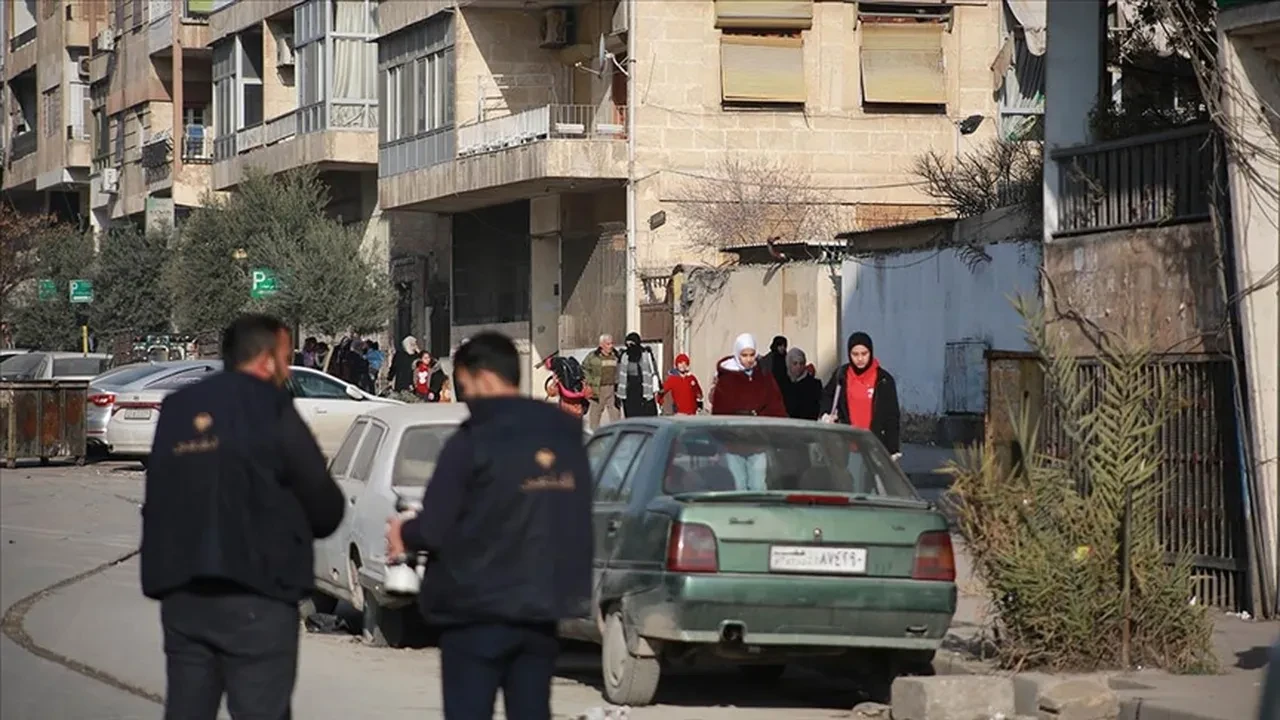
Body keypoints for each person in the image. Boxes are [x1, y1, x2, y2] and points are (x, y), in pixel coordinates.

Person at [141, 313, 344, 720]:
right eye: (286, 360)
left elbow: (159, 492)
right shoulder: (271, 406)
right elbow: (323, 503)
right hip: (258, 595)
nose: (288, 371)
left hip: (184, 595)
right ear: (267, 360)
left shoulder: (178, 408)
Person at [384, 332, 592, 720]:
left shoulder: (472, 439)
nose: (465, 397)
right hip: (542, 607)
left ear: (482, 377)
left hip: (475, 609)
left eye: (463, 385)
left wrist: (402, 533)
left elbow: (434, 527)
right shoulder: (565, 434)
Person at [821, 331, 901, 456]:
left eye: (864, 354)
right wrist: (826, 415)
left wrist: (893, 449)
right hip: (846, 445)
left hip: (874, 446)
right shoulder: (842, 375)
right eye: (855, 354)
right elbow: (827, 395)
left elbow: (892, 415)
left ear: (871, 352)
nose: (860, 359)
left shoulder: (883, 380)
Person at [709, 333, 787, 418]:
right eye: (744, 355)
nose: (749, 359)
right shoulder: (726, 379)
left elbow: (775, 405)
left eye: (752, 355)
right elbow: (721, 411)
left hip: (762, 424)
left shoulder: (764, 375)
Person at [582, 334, 622, 429]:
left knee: (615, 415)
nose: (611, 346)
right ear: (601, 345)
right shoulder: (593, 356)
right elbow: (584, 368)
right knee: (595, 416)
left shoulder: (616, 356)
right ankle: (595, 435)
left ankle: (616, 434)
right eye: (608, 344)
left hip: (612, 389)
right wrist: (590, 381)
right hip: (598, 389)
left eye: (612, 343)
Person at [617, 332, 659, 418]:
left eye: (632, 343)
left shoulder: (645, 354)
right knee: (631, 416)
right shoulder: (624, 355)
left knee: (646, 416)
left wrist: (657, 387)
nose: (629, 346)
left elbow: (653, 370)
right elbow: (620, 374)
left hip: (643, 390)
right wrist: (619, 393)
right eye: (627, 344)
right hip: (629, 391)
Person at [780, 347, 823, 420]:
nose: (798, 367)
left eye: (801, 363)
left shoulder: (814, 385)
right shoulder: (782, 383)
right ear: (788, 364)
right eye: (795, 363)